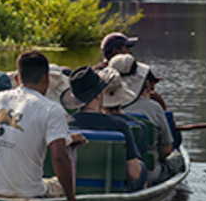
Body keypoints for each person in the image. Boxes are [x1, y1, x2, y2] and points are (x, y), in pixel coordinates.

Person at [0, 51, 79, 201]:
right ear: (46, 78)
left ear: (17, 79)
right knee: (61, 185)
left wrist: (67, 137)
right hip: (28, 195)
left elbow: (20, 130)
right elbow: (60, 157)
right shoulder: (52, 109)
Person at [61, 66, 148, 192]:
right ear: (98, 95)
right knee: (141, 168)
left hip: (71, 189)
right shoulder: (119, 126)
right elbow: (133, 174)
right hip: (112, 189)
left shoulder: (64, 124)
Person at [110, 54, 184, 184]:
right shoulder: (154, 108)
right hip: (149, 175)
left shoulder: (101, 107)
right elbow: (166, 151)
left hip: (112, 173)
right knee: (177, 157)